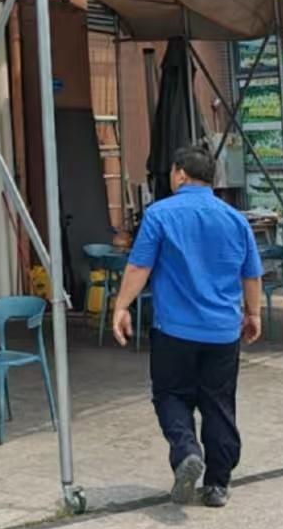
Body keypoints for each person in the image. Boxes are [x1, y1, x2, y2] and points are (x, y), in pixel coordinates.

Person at [111, 145, 263, 508]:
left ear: (180, 174)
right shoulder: (235, 219)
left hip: (174, 331)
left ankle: (186, 451)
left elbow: (140, 266)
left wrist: (121, 306)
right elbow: (251, 273)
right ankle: (217, 484)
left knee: (170, 395)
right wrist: (254, 314)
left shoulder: (159, 214)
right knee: (219, 403)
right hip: (223, 332)